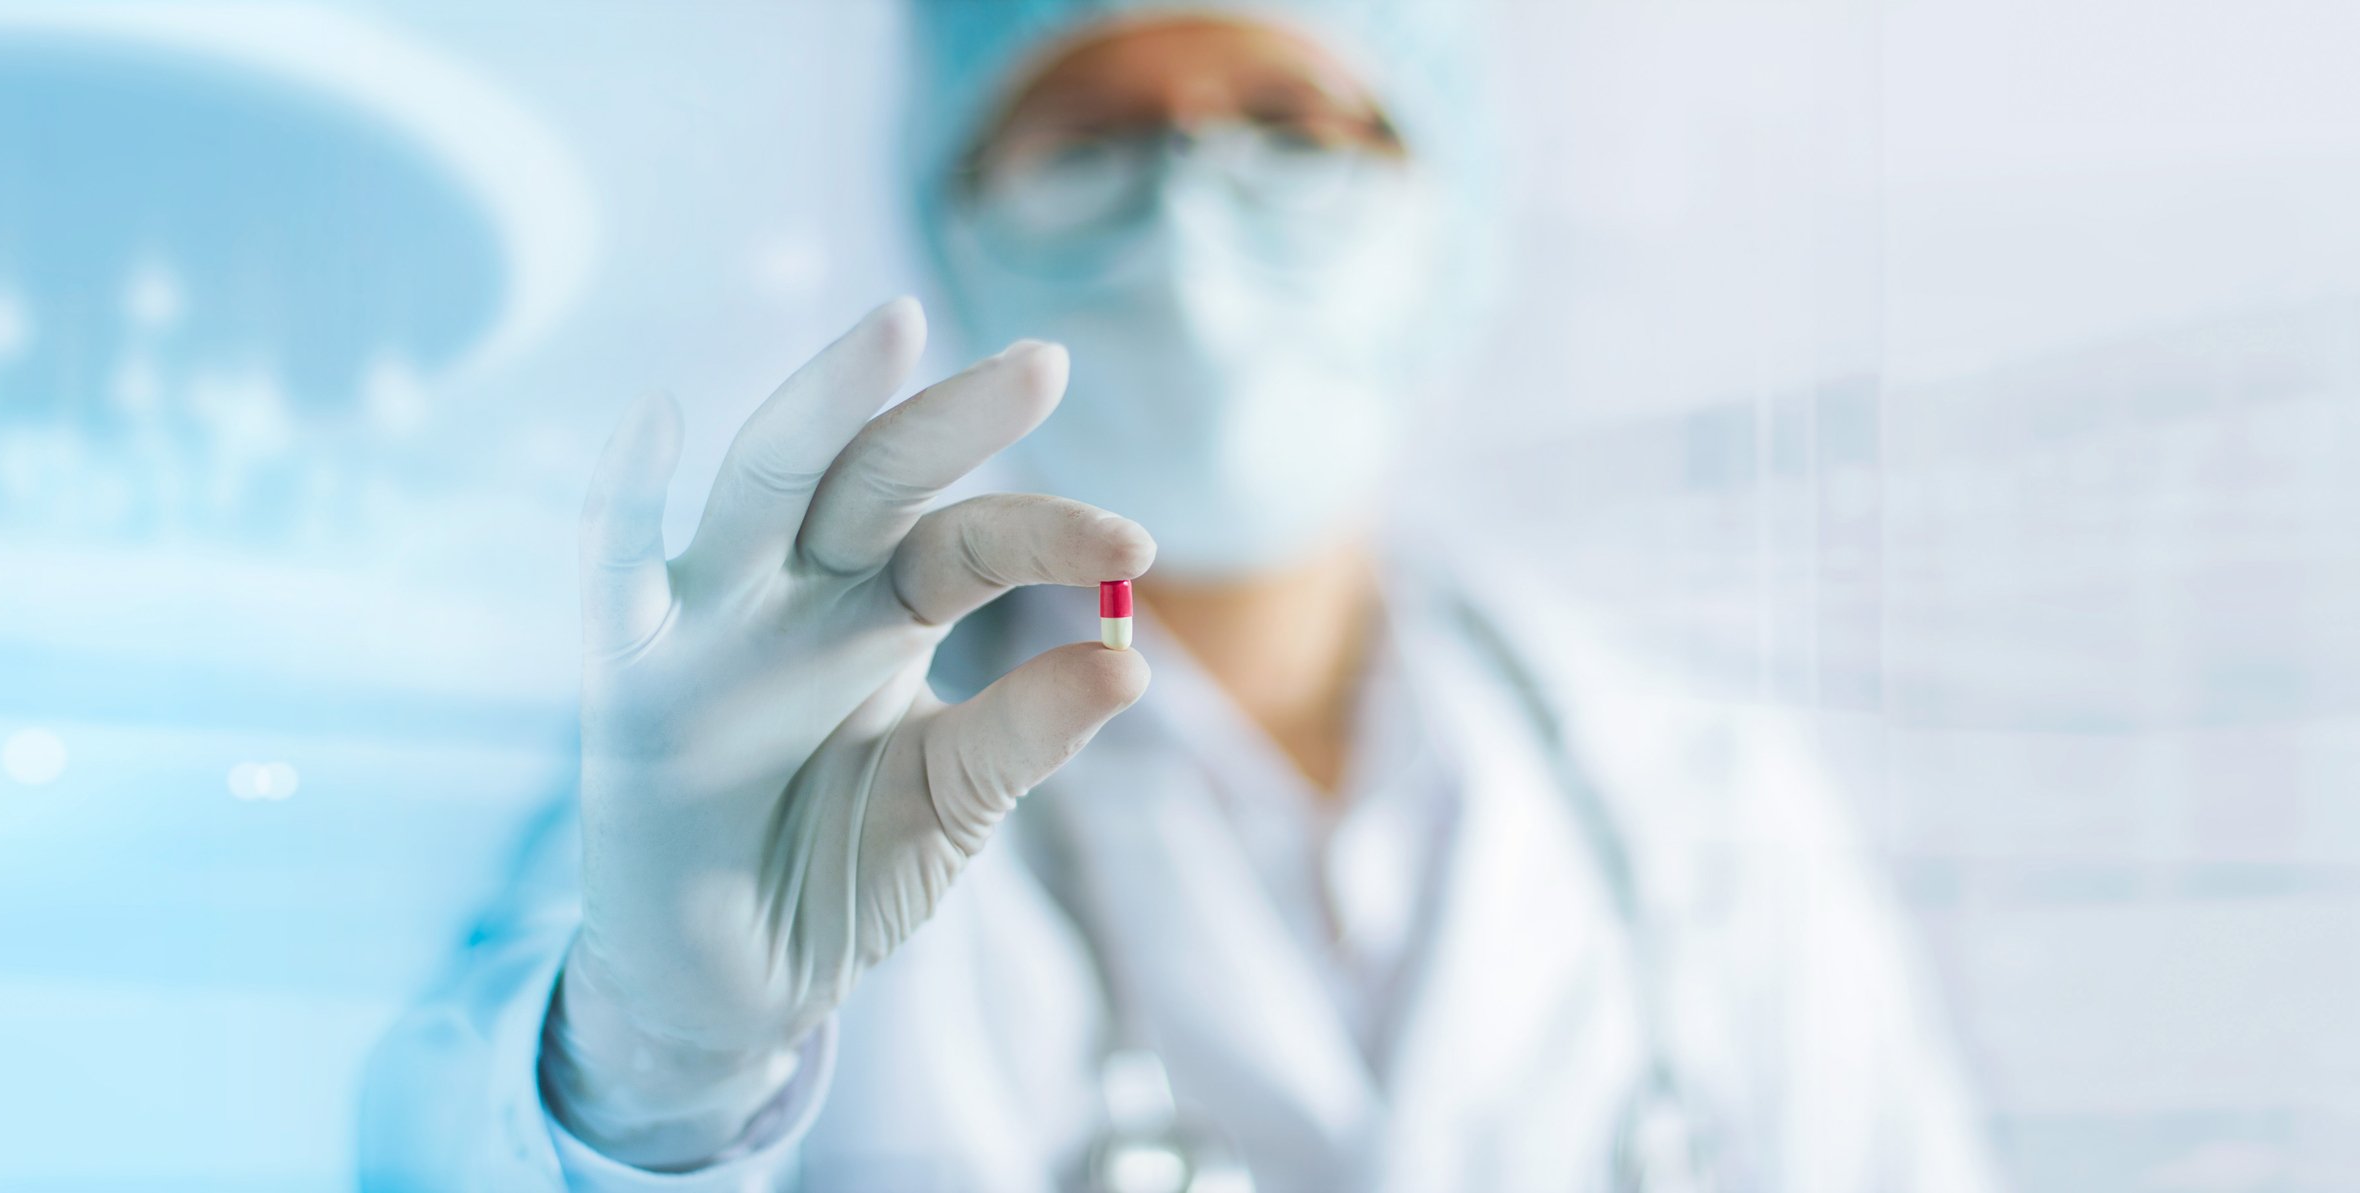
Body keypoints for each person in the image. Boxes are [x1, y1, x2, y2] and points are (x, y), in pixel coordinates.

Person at [360, 2, 2001, 1189]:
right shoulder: (767, 772)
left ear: (1448, 209)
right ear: (958, 220)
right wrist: (651, 1070)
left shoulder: (1700, 801)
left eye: (1290, 122)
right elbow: (443, 1152)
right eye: (1092, 132)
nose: (1191, 207)